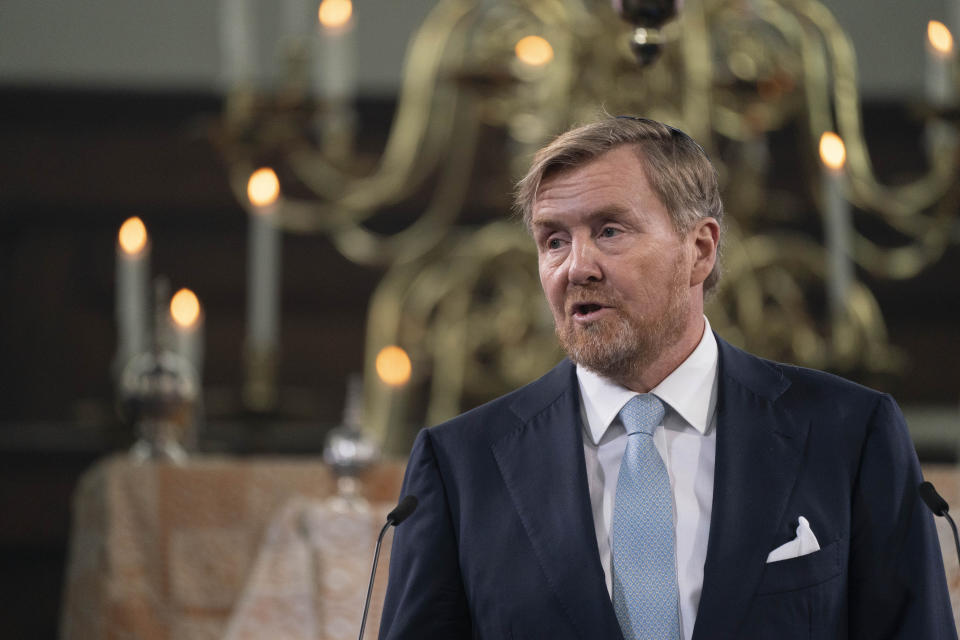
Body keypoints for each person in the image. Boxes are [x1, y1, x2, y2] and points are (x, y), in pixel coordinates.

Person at [378, 116, 957, 639]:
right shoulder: (461, 464)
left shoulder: (849, 433)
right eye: (554, 240)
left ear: (699, 250)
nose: (576, 266)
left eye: (610, 230)